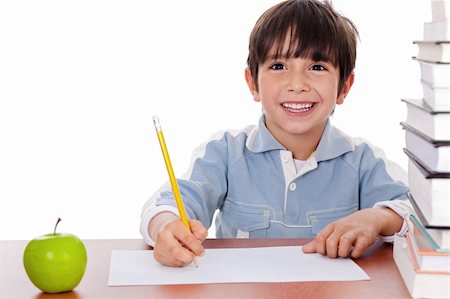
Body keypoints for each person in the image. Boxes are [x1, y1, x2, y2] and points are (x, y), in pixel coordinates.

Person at [140, 0, 413, 267]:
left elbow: (417, 212)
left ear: (344, 87)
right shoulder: (224, 153)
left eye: (317, 67)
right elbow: (165, 204)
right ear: (252, 83)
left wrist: (377, 219)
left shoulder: (363, 161)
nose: (296, 84)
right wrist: (165, 226)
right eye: (278, 66)